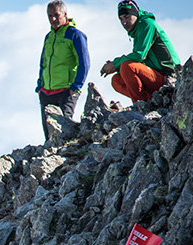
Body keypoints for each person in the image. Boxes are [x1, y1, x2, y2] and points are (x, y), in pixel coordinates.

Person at [100, 0, 180, 103]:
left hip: (169, 79)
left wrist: (115, 64)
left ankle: (141, 106)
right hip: (155, 75)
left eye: (127, 17)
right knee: (117, 80)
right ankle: (150, 101)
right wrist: (116, 67)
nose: (124, 22)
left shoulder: (147, 24)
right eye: (121, 19)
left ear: (135, 14)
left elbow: (139, 56)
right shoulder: (137, 30)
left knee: (127, 66)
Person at [36, 1, 90, 140]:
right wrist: (40, 85)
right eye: (50, 16)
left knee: (64, 132)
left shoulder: (75, 35)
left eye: (56, 15)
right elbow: (43, 62)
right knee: (49, 136)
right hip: (46, 92)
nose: (53, 19)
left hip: (66, 91)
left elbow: (84, 63)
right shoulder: (48, 37)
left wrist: (76, 86)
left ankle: (67, 159)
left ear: (65, 14)